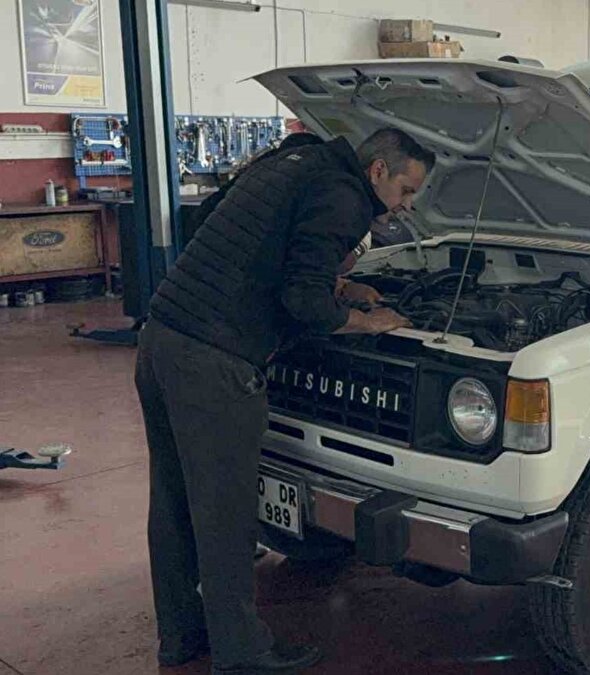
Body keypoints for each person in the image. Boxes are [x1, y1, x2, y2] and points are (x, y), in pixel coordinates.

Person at [135, 128, 433, 673]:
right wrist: (366, 320)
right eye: (406, 190)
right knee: (225, 511)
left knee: (173, 499)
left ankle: (179, 634)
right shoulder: (346, 198)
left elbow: (220, 228)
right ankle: (241, 651)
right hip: (215, 362)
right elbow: (303, 303)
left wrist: (339, 287)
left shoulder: (293, 161)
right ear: (377, 171)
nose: (407, 205)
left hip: (162, 338)